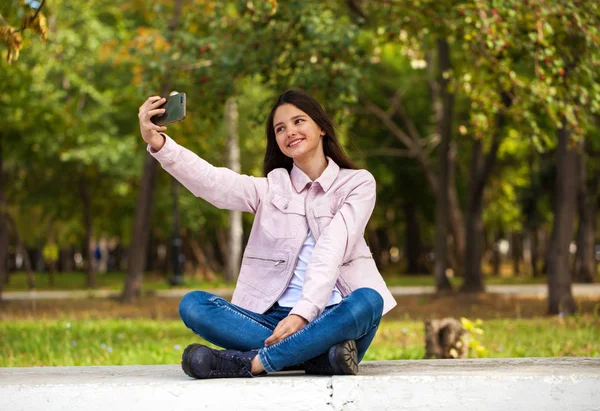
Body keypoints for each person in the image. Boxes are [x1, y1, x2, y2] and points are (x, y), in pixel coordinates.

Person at [138, 89, 397, 379]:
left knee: (369, 300)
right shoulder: (270, 189)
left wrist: (303, 314)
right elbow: (213, 182)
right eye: (280, 128)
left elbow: (332, 246)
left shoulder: (357, 184)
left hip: (335, 317)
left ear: (321, 127)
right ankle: (319, 359)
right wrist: (159, 143)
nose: (290, 132)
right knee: (194, 306)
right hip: (272, 322)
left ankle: (253, 363)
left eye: (299, 121)